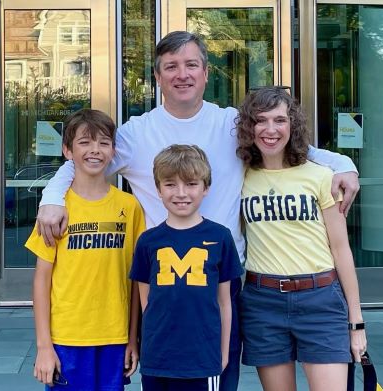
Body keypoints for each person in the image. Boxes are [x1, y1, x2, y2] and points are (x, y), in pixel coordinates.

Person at [35, 31, 360, 391]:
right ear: (157, 78)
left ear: (206, 72)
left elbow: (291, 145)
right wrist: (52, 198)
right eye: (171, 67)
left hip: (223, 280)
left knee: (217, 380)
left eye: (191, 64)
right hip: (160, 283)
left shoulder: (232, 124)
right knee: (163, 378)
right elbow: (86, 161)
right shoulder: (135, 133)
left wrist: (344, 162)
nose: (182, 74)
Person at [237, 87, 367, 391]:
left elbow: (341, 249)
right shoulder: (241, 176)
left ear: (292, 125)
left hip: (319, 299)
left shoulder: (321, 176)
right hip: (262, 301)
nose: (271, 129)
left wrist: (356, 322)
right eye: (261, 120)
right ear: (249, 127)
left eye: (280, 120)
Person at [25, 109, 145, 390]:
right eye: (85, 142)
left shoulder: (129, 207)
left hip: (114, 337)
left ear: (114, 150)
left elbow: (136, 280)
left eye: (104, 142)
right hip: (67, 338)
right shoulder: (55, 210)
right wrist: (44, 346)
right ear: (67, 150)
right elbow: (42, 280)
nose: (95, 150)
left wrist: (132, 339)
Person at [130, 144, 243, 391]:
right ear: (158, 189)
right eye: (170, 184)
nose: (181, 193)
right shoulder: (148, 242)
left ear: (206, 188)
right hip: (157, 360)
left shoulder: (220, 237)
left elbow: (225, 303)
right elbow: (146, 304)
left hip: (203, 358)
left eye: (191, 184)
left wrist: (223, 353)